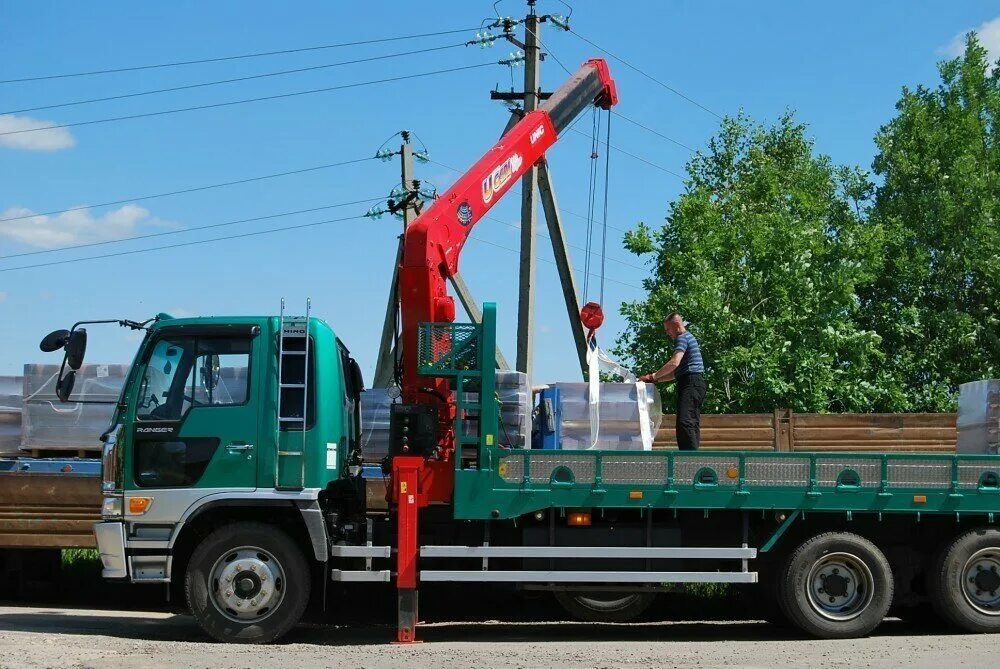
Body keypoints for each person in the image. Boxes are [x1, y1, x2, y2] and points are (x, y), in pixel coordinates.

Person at [639, 313, 706, 450]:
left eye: (668, 329)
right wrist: (656, 380)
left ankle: (689, 457)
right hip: (694, 382)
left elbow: (674, 362)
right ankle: (692, 454)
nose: (667, 333)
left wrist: (653, 376)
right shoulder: (688, 337)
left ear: (676, 325)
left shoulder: (682, 338)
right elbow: (675, 373)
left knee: (685, 421)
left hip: (691, 382)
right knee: (690, 420)